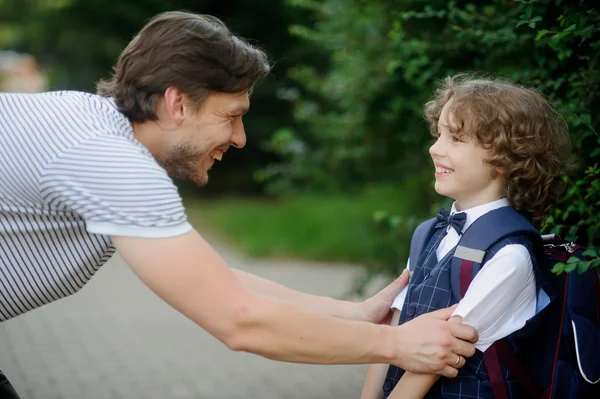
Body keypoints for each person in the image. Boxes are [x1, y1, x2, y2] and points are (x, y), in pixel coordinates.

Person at [0, 11, 478, 398]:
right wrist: (397, 345)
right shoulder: (110, 162)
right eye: (231, 116)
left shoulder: (93, 131)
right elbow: (239, 320)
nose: (241, 138)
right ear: (177, 104)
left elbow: (208, 279)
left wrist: (349, 314)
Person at [360, 75, 571, 399]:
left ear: (505, 157)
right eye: (439, 134)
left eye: (456, 138)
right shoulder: (429, 233)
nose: (435, 148)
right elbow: (392, 332)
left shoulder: (510, 256)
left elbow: (432, 362)